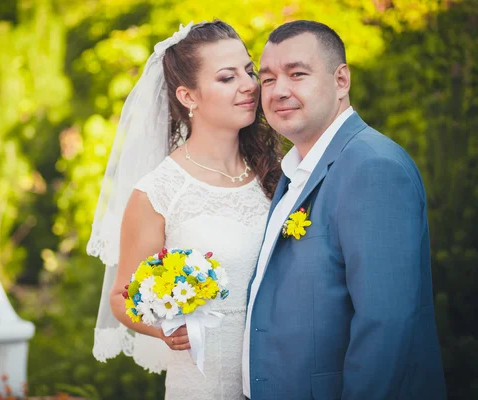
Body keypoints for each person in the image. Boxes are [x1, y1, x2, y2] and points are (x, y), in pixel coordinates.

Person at [243, 20, 447, 399]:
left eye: (297, 74)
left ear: (341, 81)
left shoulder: (372, 166)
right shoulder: (292, 173)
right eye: (268, 79)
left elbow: (385, 326)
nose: (279, 91)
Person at [87, 20, 282, 399]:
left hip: (282, 376)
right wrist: (164, 327)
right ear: (188, 96)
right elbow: (120, 296)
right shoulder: (158, 191)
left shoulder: (275, 173)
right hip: (205, 383)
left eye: (249, 70)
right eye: (227, 78)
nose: (249, 85)